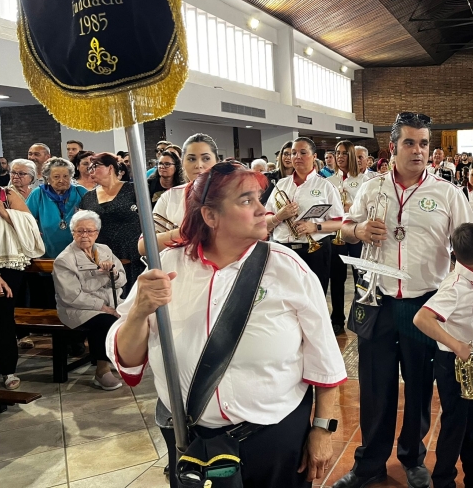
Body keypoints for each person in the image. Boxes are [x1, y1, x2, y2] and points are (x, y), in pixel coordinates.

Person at [108, 164, 347, 488]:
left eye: (259, 198)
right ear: (210, 216)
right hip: (191, 438)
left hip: (275, 437)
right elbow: (130, 359)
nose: (264, 209)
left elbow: (324, 358)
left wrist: (321, 428)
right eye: (247, 201)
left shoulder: (288, 269)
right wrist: (139, 311)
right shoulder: (167, 268)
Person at [334, 113, 473, 488]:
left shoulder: (447, 193)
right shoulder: (371, 189)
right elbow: (344, 228)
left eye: (424, 143)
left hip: (424, 305)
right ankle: (370, 462)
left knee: (420, 386)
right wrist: (357, 229)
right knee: (375, 387)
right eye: (410, 143)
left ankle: (412, 456)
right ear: (393, 147)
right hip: (378, 301)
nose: (418, 151)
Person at [413, 223, 473, 488]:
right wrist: (457, 345)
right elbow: (422, 318)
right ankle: (443, 479)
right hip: (454, 363)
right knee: (455, 424)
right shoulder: (455, 286)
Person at [52, 210, 126, 390]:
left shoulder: (105, 250)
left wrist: (113, 273)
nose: (85, 235)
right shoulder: (64, 260)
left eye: (89, 231)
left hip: (108, 302)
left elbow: (122, 280)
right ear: (73, 233)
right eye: (80, 231)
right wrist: (103, 307)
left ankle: (119, 358)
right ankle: (102, 371)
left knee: (134, 315)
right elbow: (72, 296)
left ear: (97, 233)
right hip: (77, 308)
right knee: (105, 321)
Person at [265, 138, 343, 294]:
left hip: (314, 251)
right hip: (283, 249)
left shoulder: (325, 186)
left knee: (313, 298)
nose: (297, 157)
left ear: (314, 157)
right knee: (284, 297)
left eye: (303, 152)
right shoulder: (281, 184)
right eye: (293, 153)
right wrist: (279, 216)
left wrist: (314, 226)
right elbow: (266, 221)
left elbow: (339, 222)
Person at [0, 185, 45, 390]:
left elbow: (31, 226)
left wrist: (6, 214)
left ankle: (7, 369)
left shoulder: (5, 194)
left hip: (7, 264)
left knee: (2, 316)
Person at [142, 133, 219, 255]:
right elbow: (143, 246)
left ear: (217, 161)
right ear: (183, 163)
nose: (198, 165)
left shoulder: (232, 196)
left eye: (206, 158)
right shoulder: (170, 196)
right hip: (178, 270)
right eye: (191, 159)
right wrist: (184, 232)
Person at [80, 153, 143, 294]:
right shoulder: (88, 197)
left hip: (132, 254)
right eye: (89, 168)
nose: (91, 171)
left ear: (110, 168)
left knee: (132, 296)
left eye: (95, 166)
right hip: (102, 255)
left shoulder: (133, 190)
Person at [327, 141, 365, 334]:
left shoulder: (363, 180)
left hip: (357, 233)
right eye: (337, 153)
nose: (340, 156)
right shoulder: (330, 181)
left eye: (344, 153)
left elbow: (366, 208)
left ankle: (361, 316)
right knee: (337, 278)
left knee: (361, 276)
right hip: (337, 234)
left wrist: (348, 205)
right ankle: (337, 319)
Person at [26, 157, 88, 260]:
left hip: (78, 253)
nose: (61, 180)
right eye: (56, 177)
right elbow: (26, 220)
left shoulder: (80, 192)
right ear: (48, 178)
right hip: (47, 252)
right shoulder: (38, 194)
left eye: (65, 176)